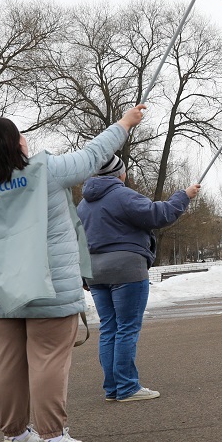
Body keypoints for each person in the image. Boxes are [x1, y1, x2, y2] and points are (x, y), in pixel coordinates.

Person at [0, 104, 146, 442]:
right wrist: (124, 123)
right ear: (15, 144)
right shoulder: (42, 170)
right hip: (49, 283)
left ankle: (14, 438)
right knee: (47, 358)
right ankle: (53, 438)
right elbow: (92, 156)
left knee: (7, 360)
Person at [77, 157, 200, 403]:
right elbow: (158, 215)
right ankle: (127, 387)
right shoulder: (122, 196)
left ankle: (112, 388)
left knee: (109, 328)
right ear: (119, 174)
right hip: (126, 269)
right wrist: (183, 196)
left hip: (94, 272)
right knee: (127, 327)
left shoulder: (82, 205)